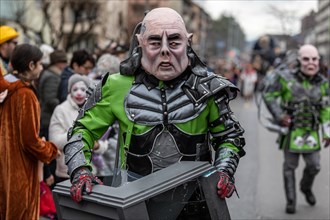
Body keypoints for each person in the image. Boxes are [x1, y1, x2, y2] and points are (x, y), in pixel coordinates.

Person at [63, 7, 245, 218]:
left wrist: (224, 170)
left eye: (175, 41)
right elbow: (81, 131)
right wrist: (81, 171)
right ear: (141, 42)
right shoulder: (115, 86)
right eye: (155, 42)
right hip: (134, 202)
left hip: (196, 203)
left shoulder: (209, 87)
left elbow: (229, 136)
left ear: (189, 41)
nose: (165, 50)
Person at [262, 44, 330, 214]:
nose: (311, 63)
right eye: (306, 59)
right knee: (289, 167)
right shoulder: (285, 78)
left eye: (314, 59)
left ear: (318, 61)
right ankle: (291, 201)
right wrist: (279, 115)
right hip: (291, 132)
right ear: (299, 60)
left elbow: (326, 108)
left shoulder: (323, 83)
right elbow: (269, 94)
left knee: (315, 166)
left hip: (312, 133)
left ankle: (305, 187)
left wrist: (328, 132)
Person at [0, 44, 59, 220]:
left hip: (4, 166)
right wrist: (52, 150)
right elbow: (30, 141)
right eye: (40, 64)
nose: (42, 68)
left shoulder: (4, 88)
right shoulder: (25, 94)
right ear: (31, 65)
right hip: (21, 171)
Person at [49, 74, 108, 184]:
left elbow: (104, 141)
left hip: (92, 171)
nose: (79, 93)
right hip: (67, 172)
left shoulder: (94, 109)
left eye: (83, 89)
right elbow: (54, 142)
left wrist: (98, 146)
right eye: (75, 89)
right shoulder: (61, 110)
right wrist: (81, 135)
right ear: (69, 91)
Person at [38, 50, 68, 189]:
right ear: (58, 63)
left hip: (47, 118)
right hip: (48, 119)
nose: (64, 65)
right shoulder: (52, 76)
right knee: (51, 156)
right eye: (63, 62)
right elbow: (50, 99)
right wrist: (63, 107)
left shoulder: (50, 74)